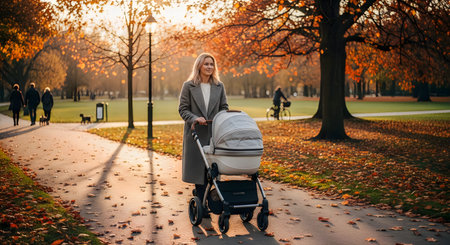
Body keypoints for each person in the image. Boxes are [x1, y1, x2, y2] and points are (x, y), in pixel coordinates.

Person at [178, 53, 229, 210]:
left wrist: (220, 119)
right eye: (206, 64)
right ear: (199, 66)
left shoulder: (219, 86)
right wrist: (195, 118)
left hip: (213, 134)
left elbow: (224, 107)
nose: (209, 67)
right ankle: (202, 203)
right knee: (199, 171)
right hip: (196, 134)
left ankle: (205, 199)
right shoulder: (189, 86)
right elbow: (183, 109)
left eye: (211, 64)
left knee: (211, 170)